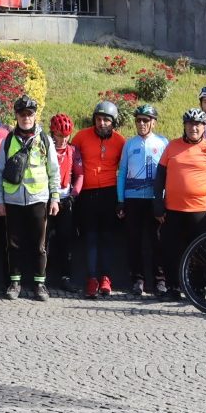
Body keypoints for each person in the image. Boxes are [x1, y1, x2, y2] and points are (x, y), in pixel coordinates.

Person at [153, 108, 206, 301]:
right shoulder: (172, 146)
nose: (193, 127)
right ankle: (173, 288)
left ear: (204, 127)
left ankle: (198, 288)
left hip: (200, 211)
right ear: (184, 126)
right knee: (171, 250)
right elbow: (159, 177)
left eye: (198, 124)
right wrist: (158, 204)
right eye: (190, 124)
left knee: (201, 253)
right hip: (173, 210)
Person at [0, 95, 59, 301]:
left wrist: (55, 198)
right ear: (16, 116)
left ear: (35, 115)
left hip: (38, 199)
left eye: (29, 114)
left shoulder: (45, 140)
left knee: (39, 245)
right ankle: (15, 282)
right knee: (14, 245)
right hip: (12, 200)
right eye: (22, 114)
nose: (26, 118)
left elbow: (53, 171)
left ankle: (40, 284)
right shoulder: (8, 140)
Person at [70, 100, 125, 299]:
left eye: (106, 120)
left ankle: (106, 278)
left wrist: (122, 199)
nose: (102, 123)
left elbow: (126, 169)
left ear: (113, 122)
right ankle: (91, 278)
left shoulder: (120, 141)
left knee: (107, 237)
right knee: (91, 237)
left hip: (110, 193)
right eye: (99, 119)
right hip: (87, 194)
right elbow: (69, 161)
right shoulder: (81, 136)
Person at [116, 104, 167, 297]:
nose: (142, 123)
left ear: (153, 122)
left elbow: (168, 174)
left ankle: (160, 281)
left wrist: (164, 199)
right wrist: (121, 200)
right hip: (133, 199)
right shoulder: (130, 144)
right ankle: (137, 280)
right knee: (134, 241)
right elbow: (122, 174)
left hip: (155, 200)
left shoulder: (163, 142)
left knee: (157, 241)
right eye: (138, 120)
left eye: (146, 120)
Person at [44, 113, 78, 291]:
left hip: (66, 199)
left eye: (66, 136)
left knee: (66, 239)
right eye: (59, 136)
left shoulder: (73, 150)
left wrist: (74, 194)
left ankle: (66, 276)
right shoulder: (44, 149)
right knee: (44, 240)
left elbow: (80, 175)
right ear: (52, 133)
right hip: (46, 199)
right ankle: (41, 278)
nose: (63, 140)